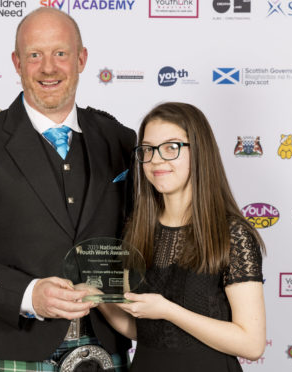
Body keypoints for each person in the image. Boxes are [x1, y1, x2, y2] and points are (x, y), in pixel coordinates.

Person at [0, 7, 135, 372]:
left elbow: (140, 239)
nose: (48, 68)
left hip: (106, 347)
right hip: (11, 349)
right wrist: (28, 295)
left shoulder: (120, 139)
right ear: (16, 62)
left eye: (60, 53)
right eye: (34, 55)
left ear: (81, 59)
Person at [96, 102, 266, 371]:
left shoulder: (232, 234)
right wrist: (96, 299)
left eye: (171, 147)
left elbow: (251, 344)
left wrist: (168, 310)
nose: (156, 160)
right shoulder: (136, 228)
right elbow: (139, 329)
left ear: (199, 151)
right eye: (148, 149)